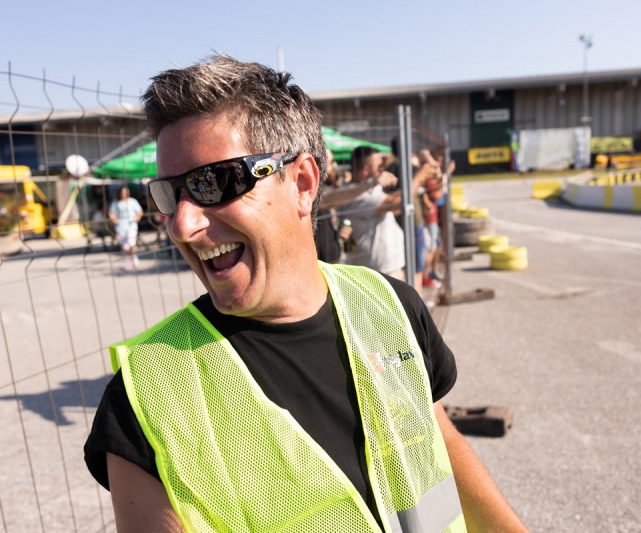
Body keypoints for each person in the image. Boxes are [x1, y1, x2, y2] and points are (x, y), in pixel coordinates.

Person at [84, 55, 527, 533]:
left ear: (302, 183)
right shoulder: (143, 400)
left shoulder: (392, 305)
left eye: (213, 184)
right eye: (169, 195)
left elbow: (440, 441)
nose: (182, 226)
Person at [338, 146, 406, 280]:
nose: (383, 170)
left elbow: (396, 209)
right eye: (380, 166)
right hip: (380, 272)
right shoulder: (354, 195)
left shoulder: (371, 187)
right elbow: (396, 203)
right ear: (366, 170)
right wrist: (421, 176)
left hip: (387, 267)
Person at [108, 186, 143, 270]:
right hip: (121, 226)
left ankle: (134, 257)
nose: (124, 194)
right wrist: (114, 219)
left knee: (132, 243)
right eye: (122, 192)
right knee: (124, 245)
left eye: (125, 192)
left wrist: (137, 218)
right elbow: (111, 213)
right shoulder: (116, 202)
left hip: (131, 225)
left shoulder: (133, 201)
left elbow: (140, 212)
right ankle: (126, 260)